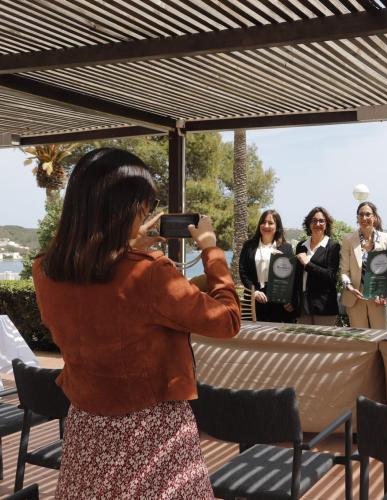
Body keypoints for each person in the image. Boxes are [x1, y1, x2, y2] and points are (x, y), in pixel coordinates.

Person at [31, 148, 241, 498]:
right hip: (151, 433)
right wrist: (211, 250)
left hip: (87, 430)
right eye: (144, 205)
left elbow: (97, 288)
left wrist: (126, 244)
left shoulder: (45, 269)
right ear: (127, 208)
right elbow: (228, 320)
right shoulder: (149, 273)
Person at [340, 201, 387, 329]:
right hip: (355, 296)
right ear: (357, 218)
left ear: (374, 217)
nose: (364, 218)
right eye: (361, 214)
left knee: (380, 335)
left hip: (378, 298)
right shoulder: (348, 239)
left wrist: (384, 292)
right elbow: (344, 271)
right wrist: (349, 287)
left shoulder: (386, 238)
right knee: (359, 337)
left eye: (368, 214)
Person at [238, 209, 296, 323]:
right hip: (254, 299)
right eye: (263, 222)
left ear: (277, 227)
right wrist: (254, 291)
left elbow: (291, 275)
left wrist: (282, 259)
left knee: (275, 333)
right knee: (253, 332)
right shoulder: (249, 245)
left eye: (270, 223)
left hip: (278, 301)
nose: (266, 226)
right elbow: (243, 271)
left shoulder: (286, 248)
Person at [295, 206, 341, 326]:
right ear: (309, 223)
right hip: (303, 305)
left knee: (323, 338)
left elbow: (331, 276)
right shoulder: (301, 246)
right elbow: (297, 276)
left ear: (326, 224)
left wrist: (307, 264)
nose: (317, 224)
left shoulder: (333, 246)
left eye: (321, 221)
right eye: (314, 221)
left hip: (324, 306)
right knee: (303, 338)